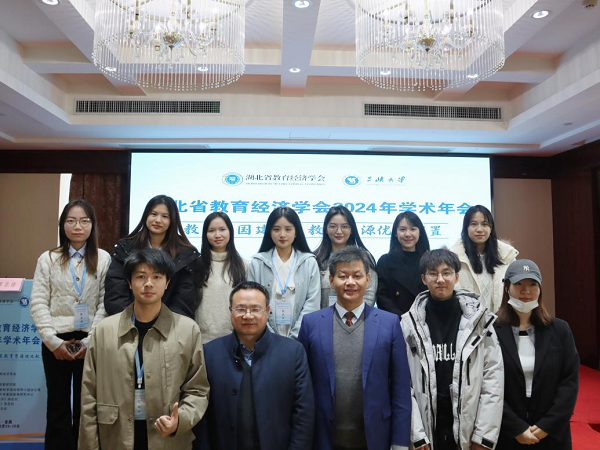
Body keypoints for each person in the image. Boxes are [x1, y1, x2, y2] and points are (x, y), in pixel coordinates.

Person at [79, 248, 209, 450]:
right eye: (141, 276)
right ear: (129, 283)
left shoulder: (187, 330)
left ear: (167, 283)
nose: (148, 283)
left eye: (156, 277)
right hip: (115, 436)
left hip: (167, 439)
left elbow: (198, 390)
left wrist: (180, 420)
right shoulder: (104, 330)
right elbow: (89, 395)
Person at [298, 247, 411, 450]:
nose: (350, 282)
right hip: (323, 438)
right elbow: (301, 388)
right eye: (343, 276)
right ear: (331, 281)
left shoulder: (390, 323)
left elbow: (400, 389)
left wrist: (400, 443)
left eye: (357, 276)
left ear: (368, 280)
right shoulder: (311, 324)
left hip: (375, 439)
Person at [401, 249, 503, 450]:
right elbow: (404, 384)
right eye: (433, 273)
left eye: (446, 273)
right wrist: (417, 436)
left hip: (469, 424)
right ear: (424, 279)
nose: (440, 279)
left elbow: (493, 379)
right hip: (428, 424)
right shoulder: (408, 324)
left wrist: (483, 436)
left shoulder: (479, 321)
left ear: (456, 277)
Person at [30, 199, 110, 450]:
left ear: (92, 225)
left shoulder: (104, 258)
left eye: (84, 221)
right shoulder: (48, 259)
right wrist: (53, 342)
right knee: (57, 405)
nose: (78, 226)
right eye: (71, 221)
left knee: (87, 406)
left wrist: (89, 342)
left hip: (90, 341)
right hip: (56, 341)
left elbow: (105, 303)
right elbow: (38, 302)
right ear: (62, 225)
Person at [198, 281, 315, 450]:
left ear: (267, 311)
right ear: (230, 311)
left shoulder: (293, 352)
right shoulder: (210, 353)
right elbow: (203, 416)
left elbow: (303, 413)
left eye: (255, 309)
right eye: (240, 309)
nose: (248, 315)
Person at [494, 260, 579, 449]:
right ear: (507, 288)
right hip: (507, 434)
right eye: (519, 284)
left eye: (533, 284)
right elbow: (487, 385)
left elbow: (569, 382)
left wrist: (547, 425)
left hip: (552, 433)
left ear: (540, 288)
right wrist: (515, 427)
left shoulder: (560, 330)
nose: (526, 291)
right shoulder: (491, 331)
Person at [104, 194, 199, 319]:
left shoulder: (185, 253)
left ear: (172, 220)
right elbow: (116, 291)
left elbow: (185, 299)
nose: (158, 220)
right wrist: (133, 321)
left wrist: (163, 324)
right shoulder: (125, 248)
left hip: (170, 325)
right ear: (146, 216)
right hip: (128, 322)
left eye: (165, 216)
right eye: (153, 214)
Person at [248, 207, 320, 340]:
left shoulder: (309, 262)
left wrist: (295, 337)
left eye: (288, 229)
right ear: (269, 232)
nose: (282, 234)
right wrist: (270, 337)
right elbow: (253, 303)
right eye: (276, 229)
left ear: (296, 232)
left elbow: (312, 303)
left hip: (301, 338)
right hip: (265, 339)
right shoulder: (257, 263)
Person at [450, 205, 518, 312]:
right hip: (467, 319)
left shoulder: (506, 256)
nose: (479, 229)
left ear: (491, 228)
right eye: (474, 224)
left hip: (499, 319)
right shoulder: (455, 257)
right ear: (466, 228)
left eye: (485, 224)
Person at [195, 212, 247, 344]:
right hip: (202, 338)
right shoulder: (196, 265)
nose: (217, 235)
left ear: (230, 232)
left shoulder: (243, 265)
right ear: (205, 234)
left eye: (222, 229)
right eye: (211, 230)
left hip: (234, 337)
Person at [314, 205, 378, 308]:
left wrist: (351, 315)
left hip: (357, 317)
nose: (339, 231)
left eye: (344, 227)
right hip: (322, 316)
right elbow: (311, 297)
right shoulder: (315, 259)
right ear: (326, 229)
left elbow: (369, 295)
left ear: (351, 229)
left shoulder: (364, 257)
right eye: (333, 226)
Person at [376, 211, 430, 318]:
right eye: (402, 229)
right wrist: (403, 319)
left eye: (413, 229)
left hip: (426, 320)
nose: (408, 234)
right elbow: (382, 297)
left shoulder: (430, 260)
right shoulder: (385, 261)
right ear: (396, 233)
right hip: (396, 321)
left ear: (420, 232)